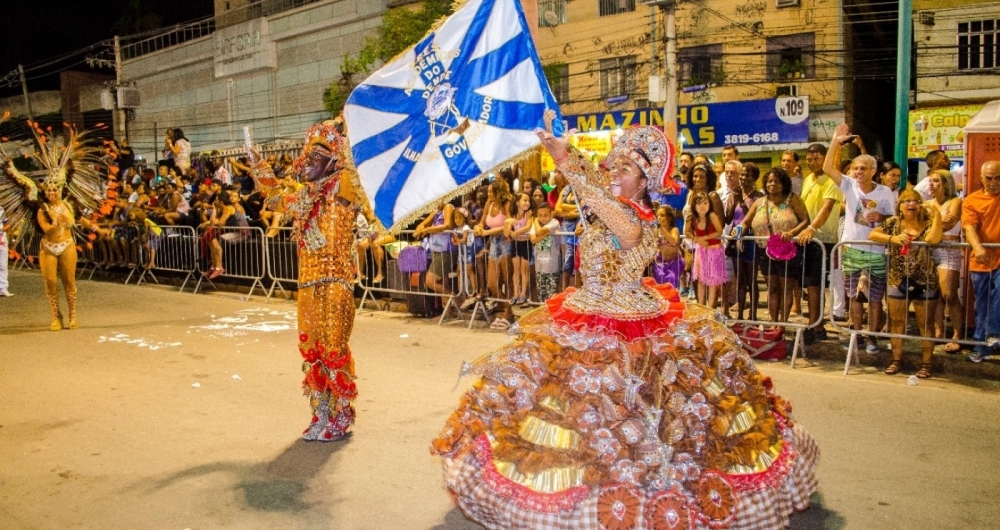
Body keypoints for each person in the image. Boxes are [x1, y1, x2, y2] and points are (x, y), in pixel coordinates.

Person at [432, 113, 819, 529]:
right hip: (587, 308)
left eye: (626, 168)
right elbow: (593, 191)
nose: (615, 172)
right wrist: (559, 147)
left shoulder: (634, 220)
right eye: (612, 165)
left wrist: (565, 160)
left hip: (628, 319)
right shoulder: (613, 206)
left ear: (645, 181)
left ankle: (637, 492)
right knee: (557, 402)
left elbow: (593, 196)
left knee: (630, 412)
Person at [247, 119, 363, 441]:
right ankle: (320, 412)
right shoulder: (303, 198)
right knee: (311, 350)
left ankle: (341, 416)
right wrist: (259, 164)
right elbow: (273, 198)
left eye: (314, 158)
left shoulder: (343, 187)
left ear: (333, 161)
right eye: (305, 158)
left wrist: (349, 130)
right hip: (307, 285)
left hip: (336, 281)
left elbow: (360, 168)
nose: (305, 164)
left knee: (334, 349)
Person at [1, 121, 109, 330]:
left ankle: (72, 315)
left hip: (67, 244)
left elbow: (81, 220)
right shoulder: (41, 209)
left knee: (69, 282)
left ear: (60, 189)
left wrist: (97, 229)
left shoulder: (69, 204)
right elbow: (46, 229)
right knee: (50, 284)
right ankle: (56, 316)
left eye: (54, 190)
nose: (51, 192)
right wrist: (55, 222)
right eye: (49, 190)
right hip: (48, 247)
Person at [824, 124, 896, 354]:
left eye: (863, 168)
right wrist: (836, 141)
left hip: (876, 250)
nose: (858, 172)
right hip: (851, 249)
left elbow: (894, 219)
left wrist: (881, 216)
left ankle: (872, 337)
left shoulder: (884, 192)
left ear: (874, 171)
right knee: (854, 295)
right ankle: (857, 336)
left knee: (875, 297)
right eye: (856, 168)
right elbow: (828, 168)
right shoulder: (849, 185)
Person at [869, 190, 943, 378]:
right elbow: (873, 234)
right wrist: (892, 239)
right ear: (900, 206)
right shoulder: (893, 223)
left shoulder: (927, 224)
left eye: (916, 201)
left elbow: (933, 240)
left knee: (925, 324)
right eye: (906, 201)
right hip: (898, 279)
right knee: (897, 322)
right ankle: (896, 360)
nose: (911, 204)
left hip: (925, 280)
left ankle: (926, 363)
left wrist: (937, 215)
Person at [736, 167, 810, 328]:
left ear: (784, 183)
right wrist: (738, 230)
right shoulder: (759, 202)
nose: (772, 184)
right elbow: (746, 222)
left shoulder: (792, 199)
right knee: (772, 288)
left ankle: (782, 325)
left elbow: (805, 220)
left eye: (776, 181)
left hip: (788, 251)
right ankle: (773, 323)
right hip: (765, 251)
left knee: (785, 288)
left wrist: (791, 232)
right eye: (769, 181)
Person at [795, 143, 843, 344]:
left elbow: (826, 208)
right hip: (805, 239)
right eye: (809, 159)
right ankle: (814, 323)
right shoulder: (807, 179)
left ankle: (816, 326)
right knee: (809, 285)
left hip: (823, 240)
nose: (812, 162)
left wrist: (812, 228)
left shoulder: (832, 180)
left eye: (816, 158)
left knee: (816, 285)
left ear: (825, 158)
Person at [962, 160, 1000, 363]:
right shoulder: (972, 200)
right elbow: (969, 227)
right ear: (981, 178)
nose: (993, 182)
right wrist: (977, 247)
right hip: (982, 258)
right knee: (982, 305)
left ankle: (994, 334)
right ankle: (982, 346)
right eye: (989, 178)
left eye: (998, 178)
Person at [924, 170, 965, 353]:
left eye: (936, 181)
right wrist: (938, 220)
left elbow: (950, 222)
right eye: (930, 181)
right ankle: (938, 330)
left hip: (949, 249)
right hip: (931, 251)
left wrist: (933, 220)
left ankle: (957, 334)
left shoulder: (955, 201)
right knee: (934, 293)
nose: (932, 185)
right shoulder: (927, 204)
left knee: (949, 293)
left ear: (946, 184)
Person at [732, 163, 763, 320]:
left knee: (751, 279)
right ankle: (740, 315)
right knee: (740, 280)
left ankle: (753, 315)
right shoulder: (736, 194)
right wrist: (734, 200)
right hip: (737, 241)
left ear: (754, 178)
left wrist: (742, 201)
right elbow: (729, 217)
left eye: (747, 175)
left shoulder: (758, 196)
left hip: (751, 241)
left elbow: (750, 218)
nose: (743, 178)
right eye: (742, 175)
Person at [686, 192, 726, 308]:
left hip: (714, 251)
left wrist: (704, 238)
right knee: (701, 280)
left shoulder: (712, 215)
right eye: (699, 204)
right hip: (701, 251)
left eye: (705, 203)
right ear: (694, 205)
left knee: (713, 282)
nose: (702, 206)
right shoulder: (692, 217)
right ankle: (701, 307)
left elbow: (719, 231)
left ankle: (710, 309)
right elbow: (686, 231)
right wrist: (697, 239)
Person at [505, 192, 533, 305]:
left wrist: (515, 232)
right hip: (516, 244)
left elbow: (528, 226)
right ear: (517, 203)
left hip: (525, 243)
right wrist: (507, 223)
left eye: (528, 200)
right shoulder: (512, 216)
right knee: (515, 269)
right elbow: (507, 233)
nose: (527, 203)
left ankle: (523, 294)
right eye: (524, 200)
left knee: (524, 269)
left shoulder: (528, 213)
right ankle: (516, 294)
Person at [530, 200, 560, 302]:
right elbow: (533, 240)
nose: (542, 218)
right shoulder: (537, 224)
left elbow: (539, 232)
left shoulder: (554, 222)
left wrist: (534, 222)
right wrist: (542, 233)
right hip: (539, 267)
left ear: (551, 214)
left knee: (551, 297)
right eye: (540, 215)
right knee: (541, 297)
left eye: (545, 215)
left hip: (552, 268)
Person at [653, 205, 684, 288]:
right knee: (660, 286)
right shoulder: (655, 231)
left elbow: (674, 242)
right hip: (660, 263)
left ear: (669, 218)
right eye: (657, 216)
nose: (659, 218)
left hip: (674, 263)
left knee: (672, 281)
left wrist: (661, 229)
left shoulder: (674, 229)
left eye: (662, 215)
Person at [0, 204, 11, 297]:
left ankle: (3, 288)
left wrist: (2, 228)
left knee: (3, 265)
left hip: (2, 242)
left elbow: (7, 225)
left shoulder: (1, 210)